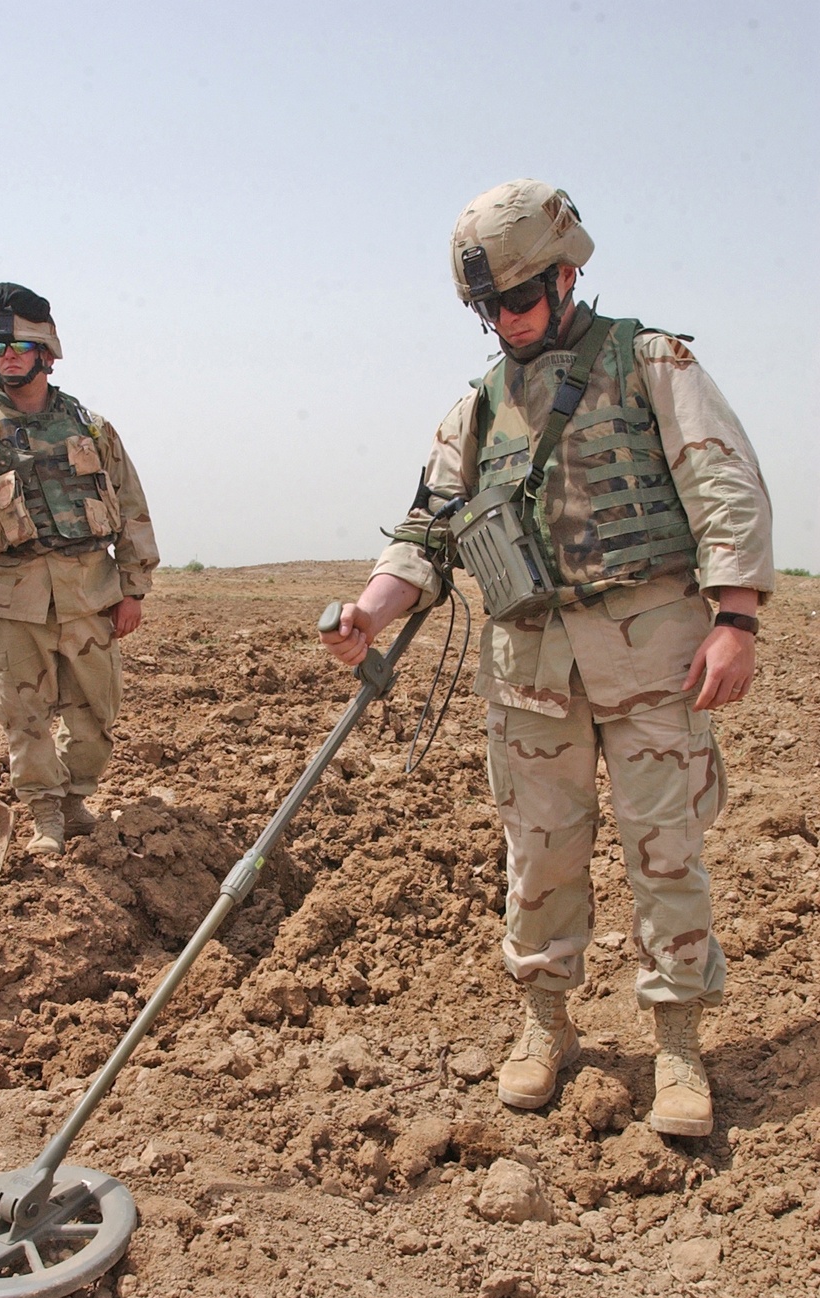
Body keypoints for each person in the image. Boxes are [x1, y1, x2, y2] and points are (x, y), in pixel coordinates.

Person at [322, 180, 773, 1138]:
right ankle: (544, 1025)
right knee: (540, 860)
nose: (506, 323)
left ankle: (679, 1044)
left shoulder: (651, 362)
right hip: (528, 673)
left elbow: (726, 485)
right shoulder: (476, 408)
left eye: (519, 301)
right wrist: (367, 610)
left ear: (569, 276)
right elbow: (425, 532)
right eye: (489, 310)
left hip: (655, 660)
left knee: (666, 854)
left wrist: (736, 616)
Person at [0, 283, 160, 856]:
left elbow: (131, 510)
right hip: (10, 601)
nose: (10, 357)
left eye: (21, 345)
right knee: (22, 714)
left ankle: (77, 799)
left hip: (91, 595)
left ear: (47, 351)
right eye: (0, 349)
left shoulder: (93, 427)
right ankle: (45, 815)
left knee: (96, 714)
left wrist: (134, 589)